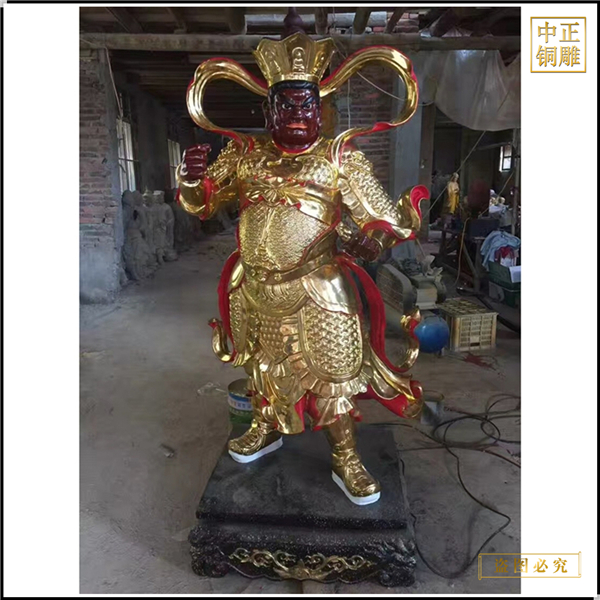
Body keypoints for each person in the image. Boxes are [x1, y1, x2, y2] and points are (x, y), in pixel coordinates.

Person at [177, 32, 427, 505]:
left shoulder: (339, 158)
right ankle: (265, 426)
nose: (297, 114)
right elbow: (203, 205)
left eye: (306, 105)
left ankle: (346, 455)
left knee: (332, 377)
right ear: (268, 110)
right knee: (261, 365)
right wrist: (191, 180)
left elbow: (379, 217)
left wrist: (374, 239)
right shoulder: (244, 155)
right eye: (286, 105)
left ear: (321, 110)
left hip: (317, 287)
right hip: (254, 285)